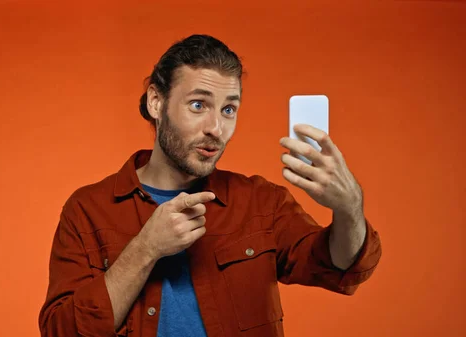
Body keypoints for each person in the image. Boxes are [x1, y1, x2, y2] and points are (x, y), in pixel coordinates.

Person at [38, 34, 382, 337]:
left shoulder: (262, 202)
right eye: (198, 105)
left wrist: (348, 207)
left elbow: (340, 268)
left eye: (229, 109)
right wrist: (145, 248)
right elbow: (62, 331)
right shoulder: (87, 209)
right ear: (156, 102)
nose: (216, 127)